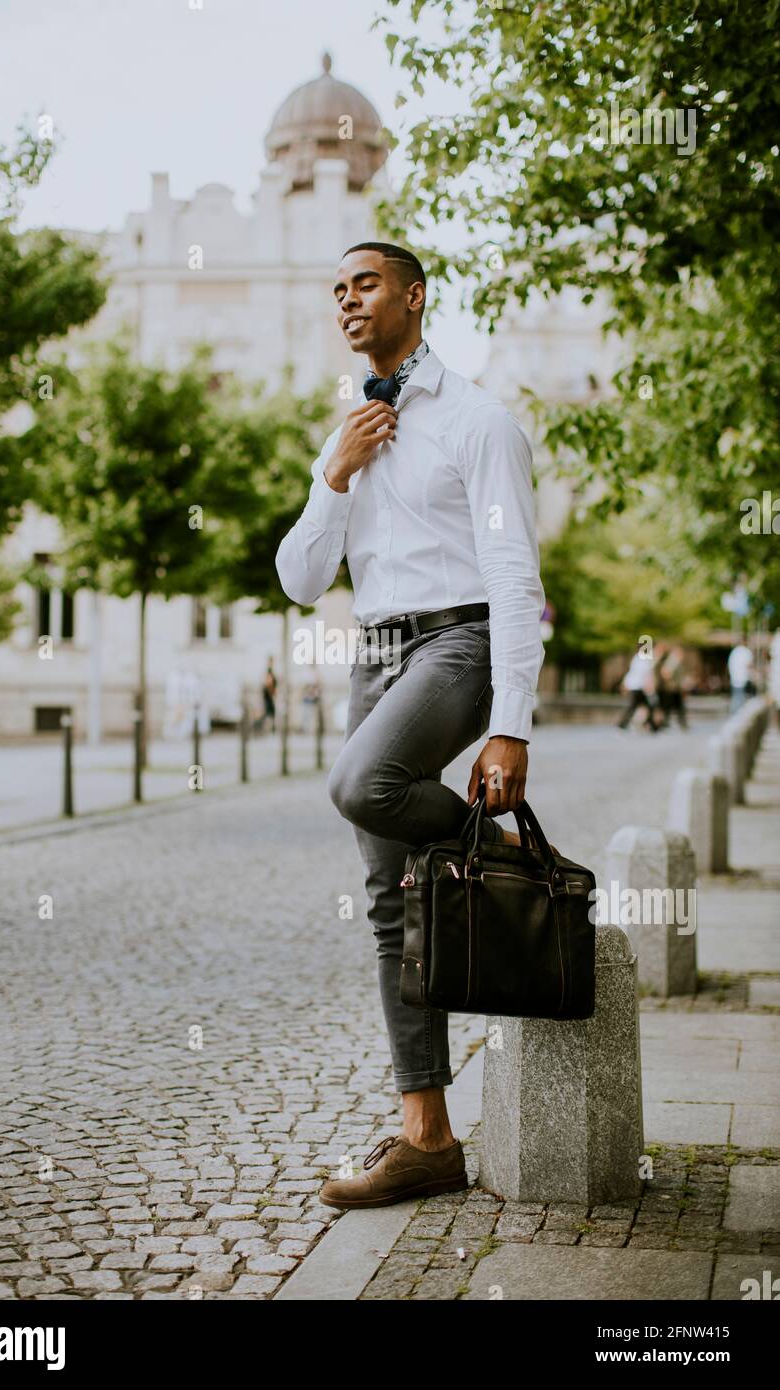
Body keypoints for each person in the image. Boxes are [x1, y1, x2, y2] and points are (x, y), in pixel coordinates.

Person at [275, 242, 545, 1208]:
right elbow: (302, 580)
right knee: (390, 894)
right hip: (375, 653)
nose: (348, 299)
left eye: (366, 283)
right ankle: (426, 1138)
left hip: (459, 644)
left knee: (360, 783)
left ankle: (499, 847)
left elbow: (516, 581)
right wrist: (334, 473)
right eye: (336, 287)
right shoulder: (347, 430)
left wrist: (509, 725)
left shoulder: (478, 421)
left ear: (414, 298)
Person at [617, 646, 661, 732]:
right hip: (639, 687)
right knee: (645, 705)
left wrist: (625, 683)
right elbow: (644, 674)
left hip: (636, 686)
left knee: (640, 706)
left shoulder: (637, 658)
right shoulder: (643, 660)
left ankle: (650, 725)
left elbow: (632, 672)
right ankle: (651, 725)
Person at [656, 644, 689, 730]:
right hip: (671, 689)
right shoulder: (673, 661)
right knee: (670, 707)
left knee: (676, 708)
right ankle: (664, 723)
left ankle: (680, 724)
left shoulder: (674, 661)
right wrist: (670, 682)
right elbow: (665, 672)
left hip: (674, 689)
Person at [728, 641, 754, 714]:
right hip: (744, 679)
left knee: (736, 699)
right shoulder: (745, 652)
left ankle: (735, 717)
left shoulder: (734, 651)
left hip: (735, 679)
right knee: (742, 701)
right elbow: (749, 665)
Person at [262, 659, 277, 734]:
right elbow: (268, 684)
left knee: (270, 713)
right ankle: (268, 729)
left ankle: (270, 728)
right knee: (269, 712)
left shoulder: (270, 672)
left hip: (269, 696)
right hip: (268, 696)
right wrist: (272, 693)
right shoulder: (269, 672)